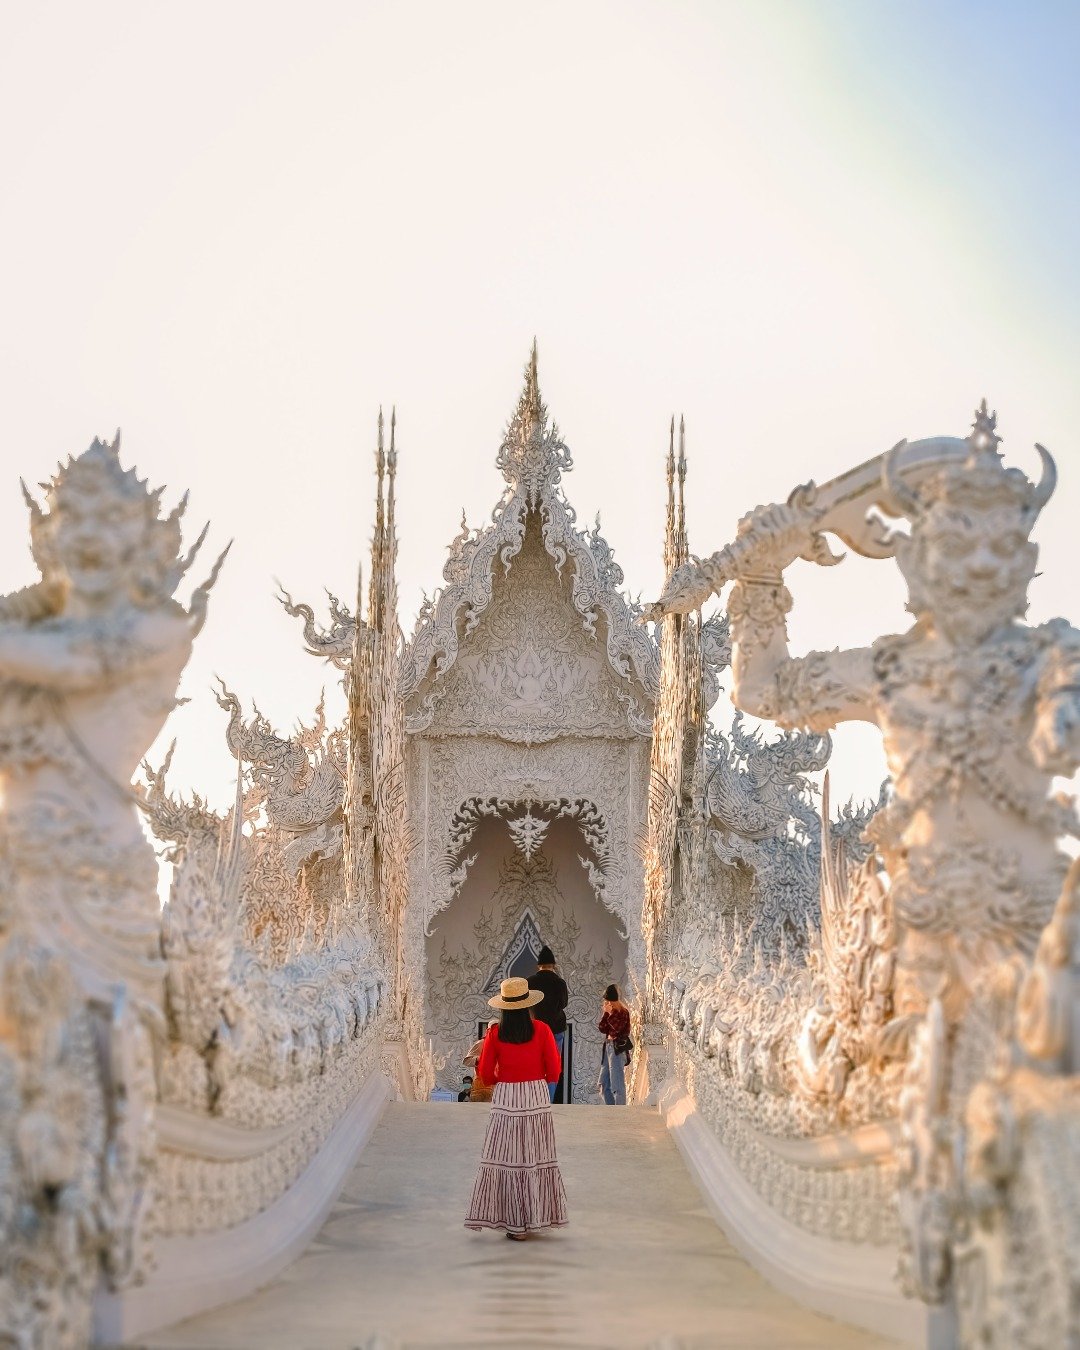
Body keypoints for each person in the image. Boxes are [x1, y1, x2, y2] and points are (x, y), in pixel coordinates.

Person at [464, 977, 568, 1240]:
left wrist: (503, 1076)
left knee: (508, 1157)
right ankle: (535, 1218)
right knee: (534, 1156)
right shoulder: (543, 1030)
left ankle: (514, 1224)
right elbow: (554, 1070)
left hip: (506, 1097)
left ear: (503, 1007)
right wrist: (537, 1076)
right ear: (528, 1004)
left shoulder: (495, 1034)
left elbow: (486, 1074)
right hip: (535, 1096)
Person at [528, 945, 569, 1102]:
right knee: (553, 1065)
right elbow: (564, 1003)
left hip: (536, 1029)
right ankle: (549, 1100)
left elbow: (525, 1005)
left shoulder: (530, 982)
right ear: (554, 965)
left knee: (535, 1064)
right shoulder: (560, 983)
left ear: (538, 965)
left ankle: (535, 1099)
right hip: (556, 1028)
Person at [597, 983, 631, 1106]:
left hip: (617, 1049)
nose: (607, 1004)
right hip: (608, 1046)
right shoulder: (609, 1013)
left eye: (608, 1001)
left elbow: (617, 1029)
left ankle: (619, 1110)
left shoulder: (623, 1012)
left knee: (617, 1084)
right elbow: (602, 1028)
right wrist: (606, 1014)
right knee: (603, 1083)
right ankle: (611, 1109)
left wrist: (610, 1014)